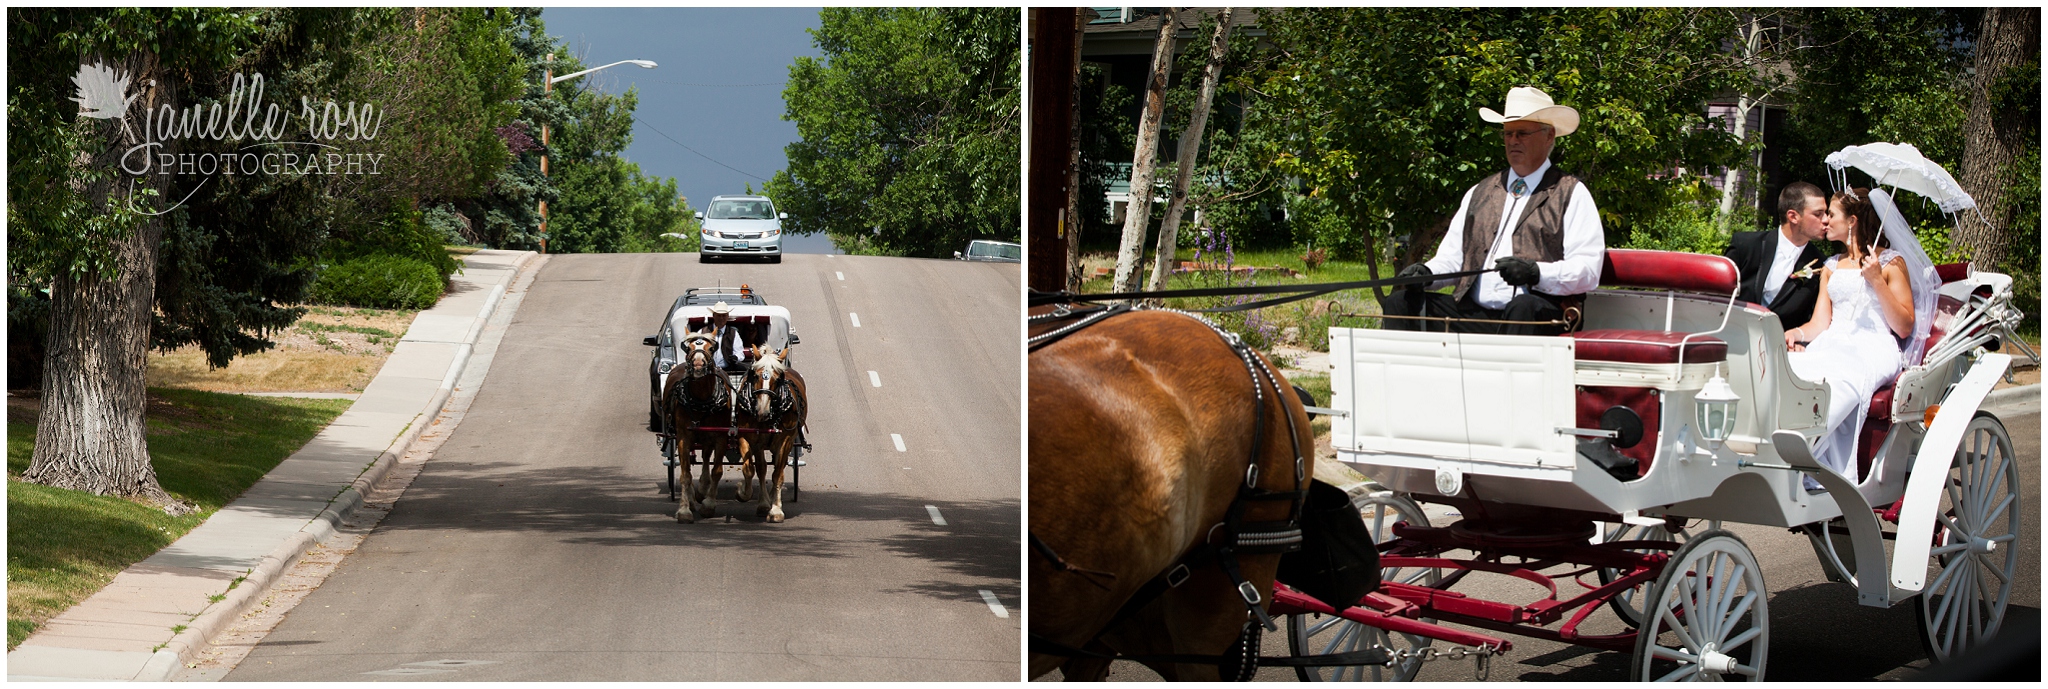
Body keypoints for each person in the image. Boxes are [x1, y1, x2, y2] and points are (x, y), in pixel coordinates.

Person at [1383, 86, 1605, 336]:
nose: (1513, 141)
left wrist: (1535, 272)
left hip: (1538, 313)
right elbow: (1454, 258)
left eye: (1522, 133)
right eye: (1508, 134)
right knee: (1400, 304)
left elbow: (1587, 270)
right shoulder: (1480, 192)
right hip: (1474, 311)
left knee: (1523, 307)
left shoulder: (1571, 193)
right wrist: (1427, 273)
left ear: (1549, 135)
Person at [1781, 187, 1938, 488]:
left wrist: (1877, 280)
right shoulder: (1830, 267)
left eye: (1832, 214)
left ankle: (1809, 456)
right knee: (1793, 366)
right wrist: (1795, 333)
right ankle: (1785, 444)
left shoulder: (1891, 263)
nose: (1825, 220)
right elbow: (1819, 323)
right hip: (1833, 342)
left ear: (1852, 221)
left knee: (1839, 375)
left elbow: (1904, 326)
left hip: (1874, 346)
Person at [1726, 182, 1831, 328]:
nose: (1826, 220)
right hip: (1733, 333)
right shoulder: (1746, 245)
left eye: (1825, 213)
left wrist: (1799, 340)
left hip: (1782, 344)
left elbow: (1812, 316)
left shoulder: (1821, 264)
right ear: (1793, 216)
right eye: (1818, 214)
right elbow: (1717, 296)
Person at [708, 301, 751, 372]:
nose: (721, 318)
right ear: (713, 315)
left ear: (728, 316)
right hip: (707, 372)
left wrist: (735, 357)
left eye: (724, 315)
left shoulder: (733, 333)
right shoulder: (703, 332)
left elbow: (740, 353)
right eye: (719, 315)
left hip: (728, 371)